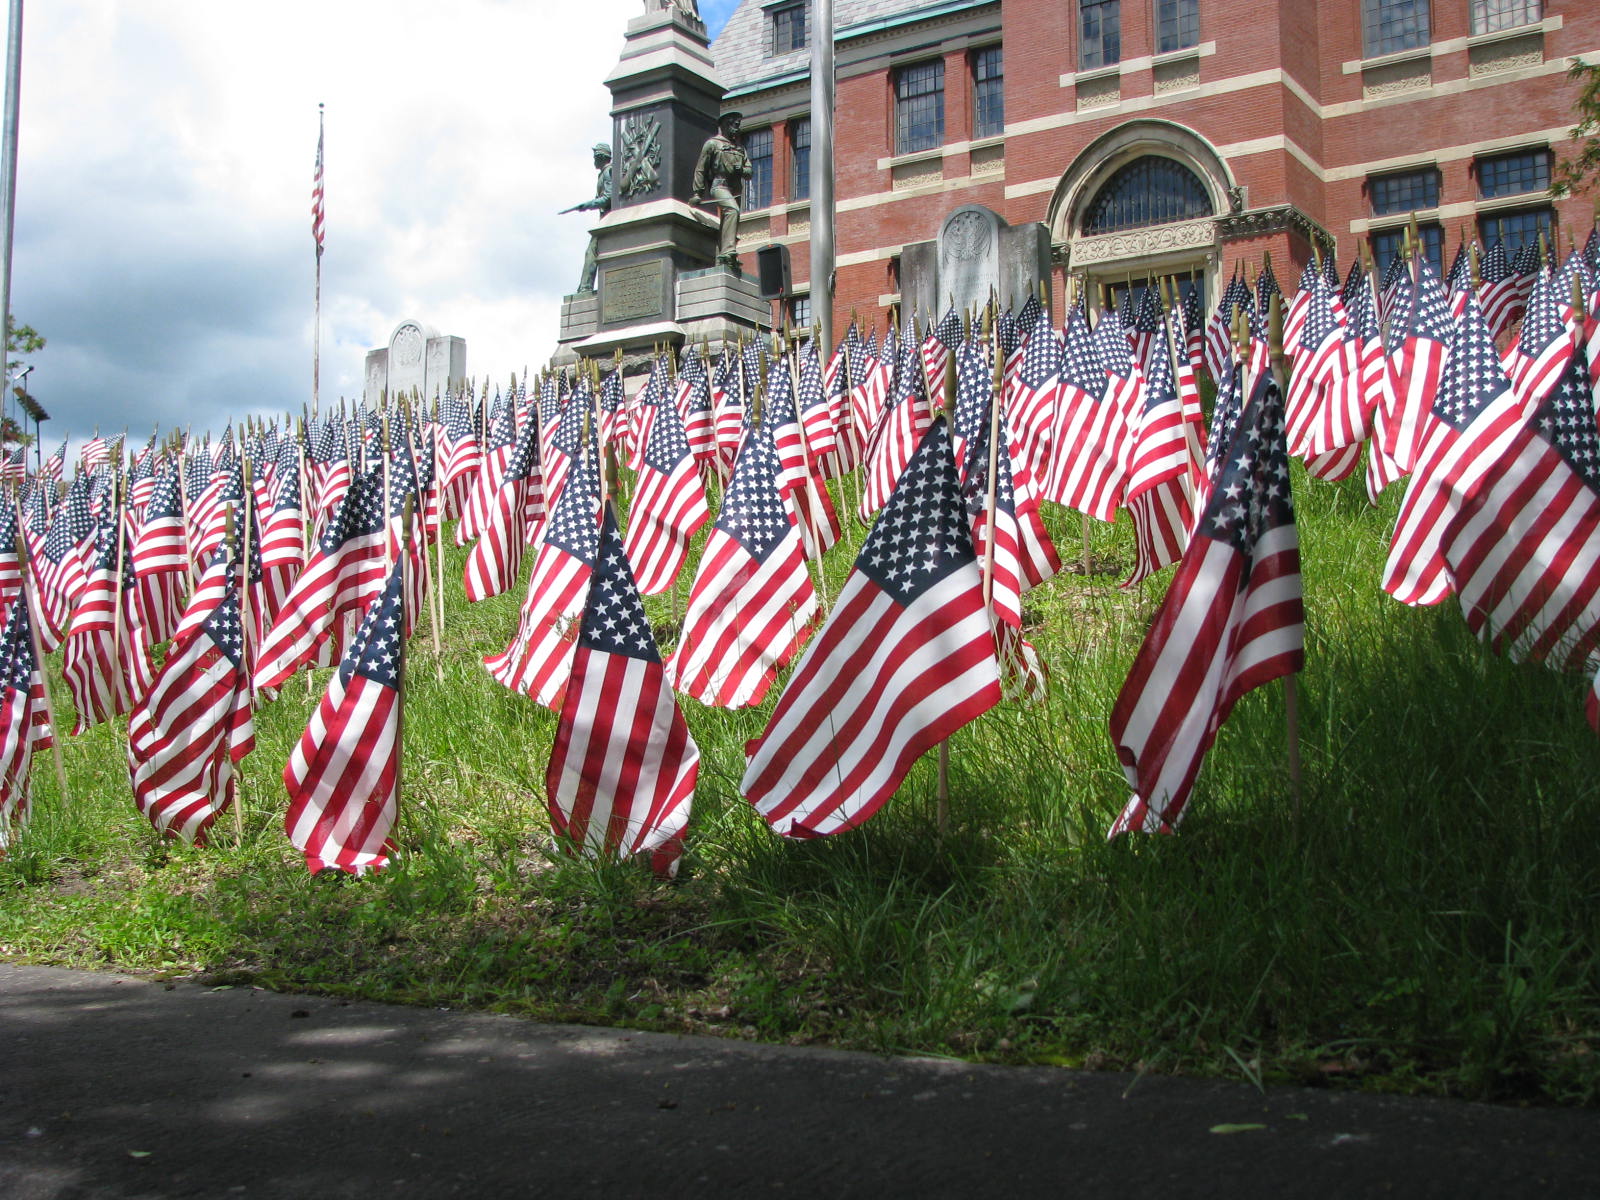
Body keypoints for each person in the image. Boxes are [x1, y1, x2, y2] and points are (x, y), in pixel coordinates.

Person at [691, 112, 752, 270]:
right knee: (732, 210)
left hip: (736, 189)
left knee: (729, 220)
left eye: (738, 126)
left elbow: (749, 172)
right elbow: (701, 168)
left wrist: (742, 170)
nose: (737, 129)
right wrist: (698, 192)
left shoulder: (740, 148)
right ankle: (729, 250)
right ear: (725, 125)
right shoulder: (712, 144)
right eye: (734, 125)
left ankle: (725, 255)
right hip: (720, 185)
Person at [562, 143, 613, 295]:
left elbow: (607, 198)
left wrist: (588, 204)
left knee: (592, 251)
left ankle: (585, 287)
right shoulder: (605, 172)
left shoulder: (608, 171)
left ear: (600, 157)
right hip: (606, 219)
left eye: (594, 157)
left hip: (608, 219)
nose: (593, 161)